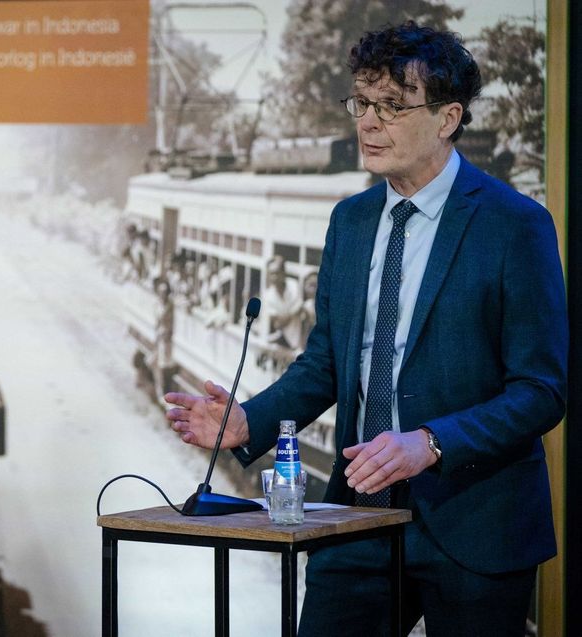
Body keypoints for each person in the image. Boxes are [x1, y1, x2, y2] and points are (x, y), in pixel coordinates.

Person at [165, 22, 566, 636]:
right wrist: (248, 420)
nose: (369, 123)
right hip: (356, 517)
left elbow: (540, 390)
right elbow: (327, 361)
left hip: (477, 523)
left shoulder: (515, 225)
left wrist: (430, 442)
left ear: (448, 117)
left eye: (391, 106)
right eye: (362, 103)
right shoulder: (350, 222)